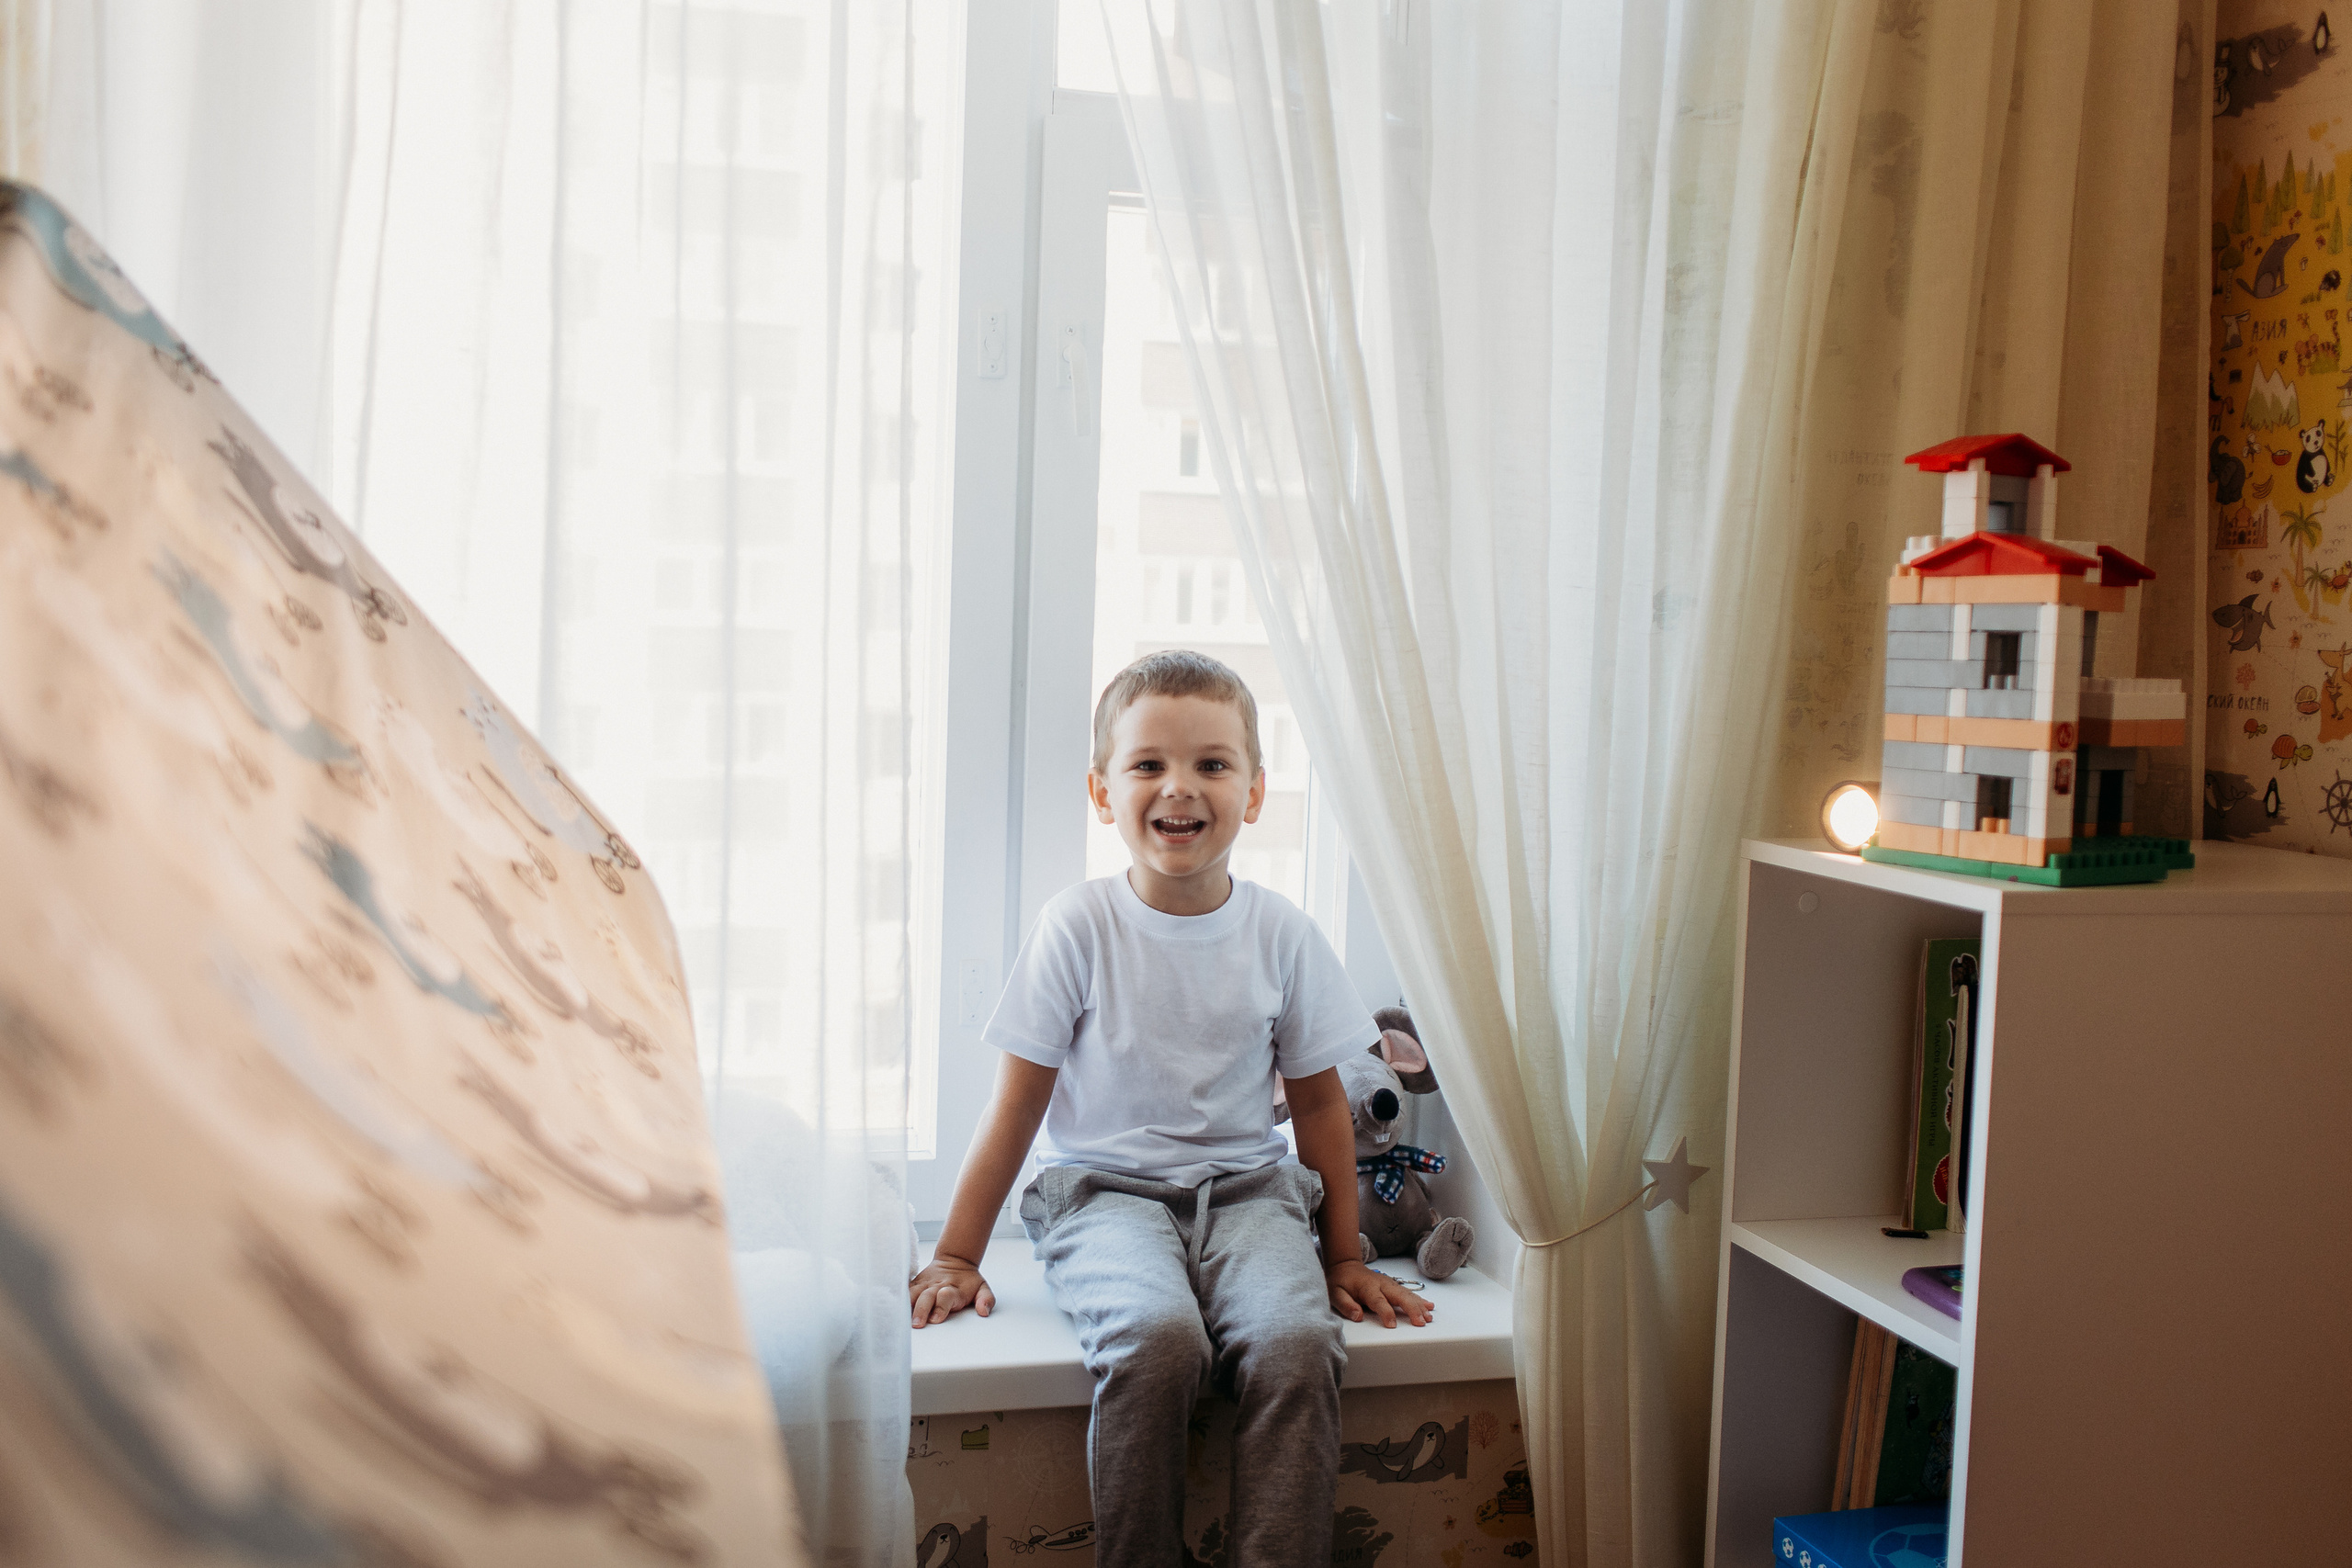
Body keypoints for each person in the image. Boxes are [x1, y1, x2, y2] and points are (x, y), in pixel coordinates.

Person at [908, 649, 1430, 1567]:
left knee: (1298, 1343)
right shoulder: (1078, 925)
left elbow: (1316, 1107)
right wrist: (956, 1253)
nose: (1178, 788)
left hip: (1250, 1197)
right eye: (1148, 764)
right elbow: (1018, 1106)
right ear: (1102, 791)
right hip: (1102, 1197)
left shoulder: (1282, 934)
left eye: (1211, 764)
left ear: (1256, 793)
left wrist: (1342, 1253)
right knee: (1156, 1344)